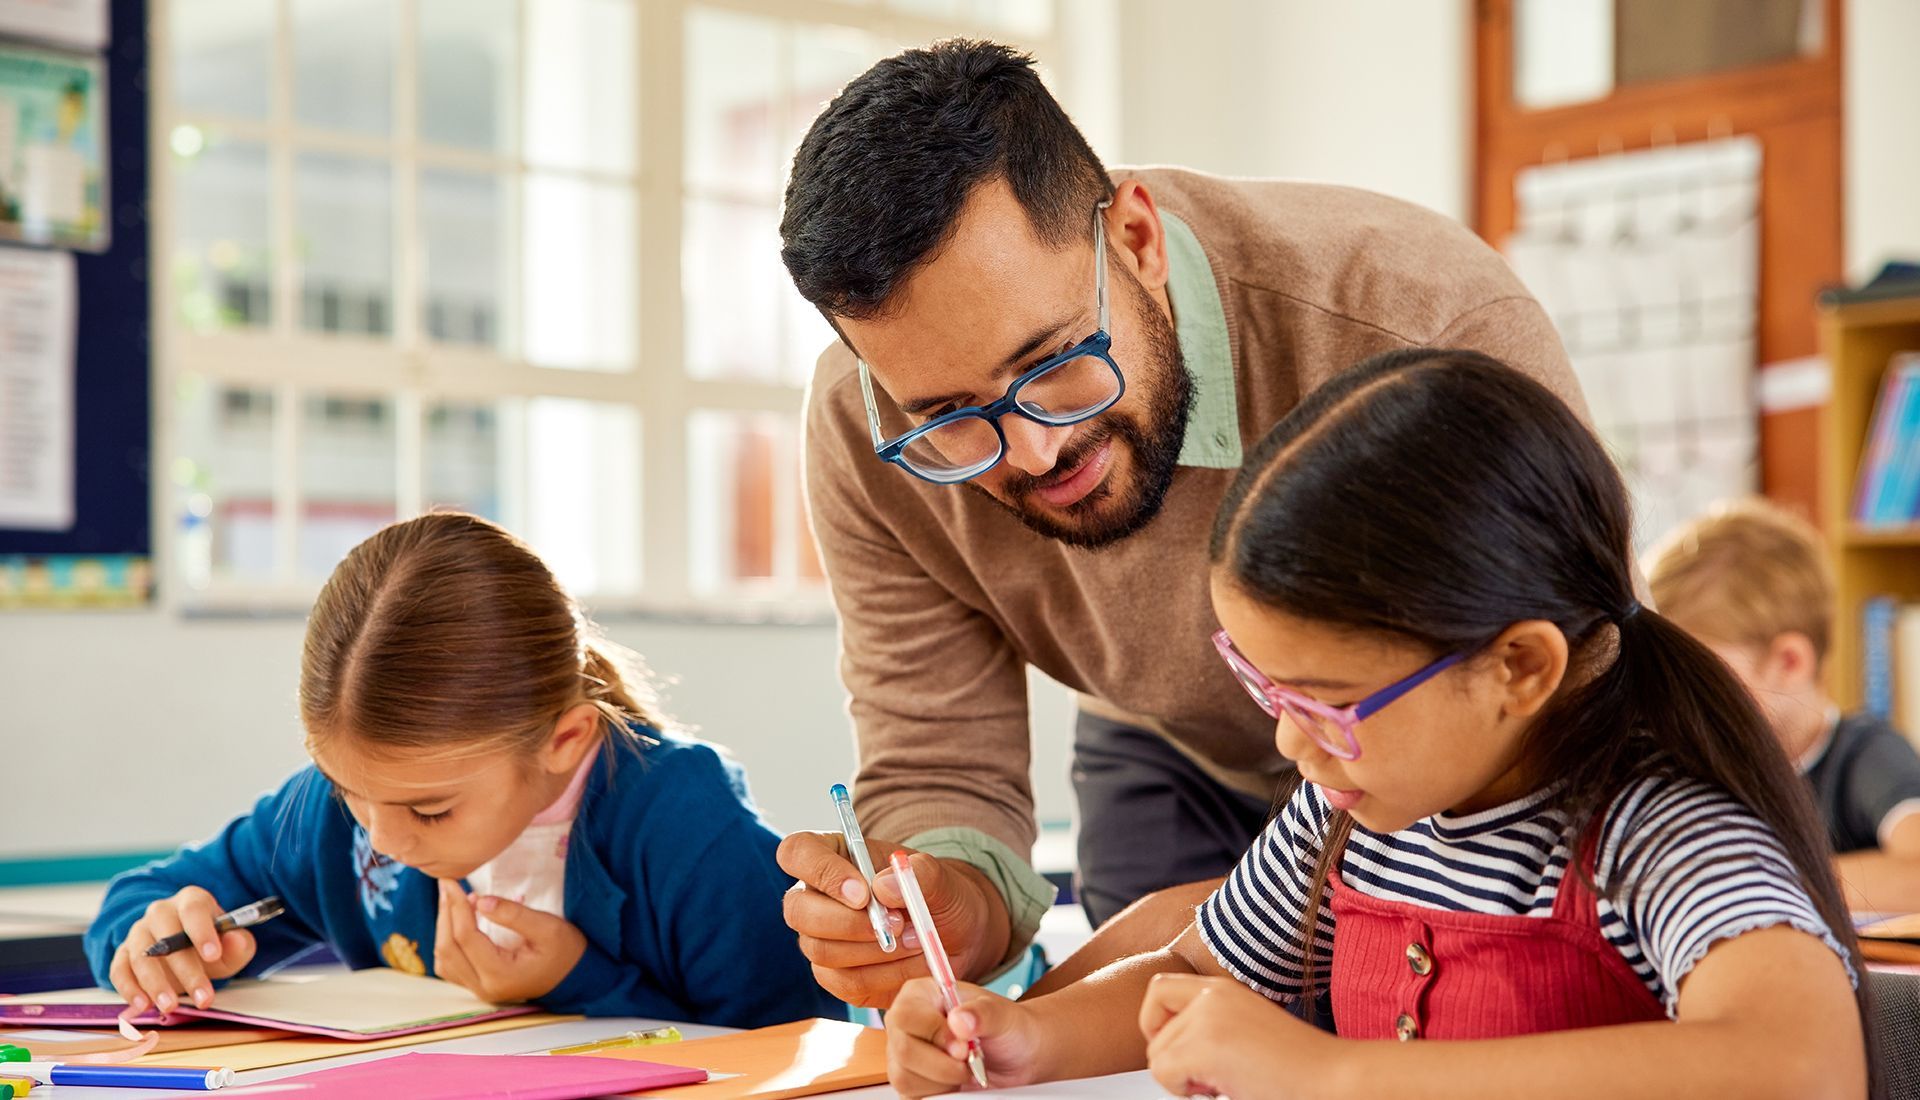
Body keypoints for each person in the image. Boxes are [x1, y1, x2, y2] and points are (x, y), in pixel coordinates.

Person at [776, 39, 1588, 1006]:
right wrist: (943, 908)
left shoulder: (1424, 324)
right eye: (953, 417)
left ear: (1137, 241)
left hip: (1458, 775)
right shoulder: (865, 437)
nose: (1034, 452)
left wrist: (1219, 947)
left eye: (1051, 364)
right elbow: (936, 756)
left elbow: (1571, 701)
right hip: (1167, 739)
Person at [883, 349, 1868, 1100]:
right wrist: (1027, 1036)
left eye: (1326, 701)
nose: (1289, 743)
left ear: (1518, 665)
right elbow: (1193, 965)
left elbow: (1801, 1064)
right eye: (1267, 689)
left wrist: (1333, 1073)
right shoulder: (1349, 812)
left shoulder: (1655, 832)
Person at [85, 512, 838, 1028]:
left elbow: (799, 1047)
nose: (383, 838)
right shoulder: (331, 815)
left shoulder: (686, 829)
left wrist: (578, 982)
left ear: (565, 740)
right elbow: (139, 902)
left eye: (431, 811)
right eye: (353, 794)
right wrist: (149, 942)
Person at [1648, 497, 1920, 912]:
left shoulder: (1864, 754)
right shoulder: (1695, 768)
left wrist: (1756, 879)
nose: (1674, 701)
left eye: (1700, 678)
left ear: (1790, 661)